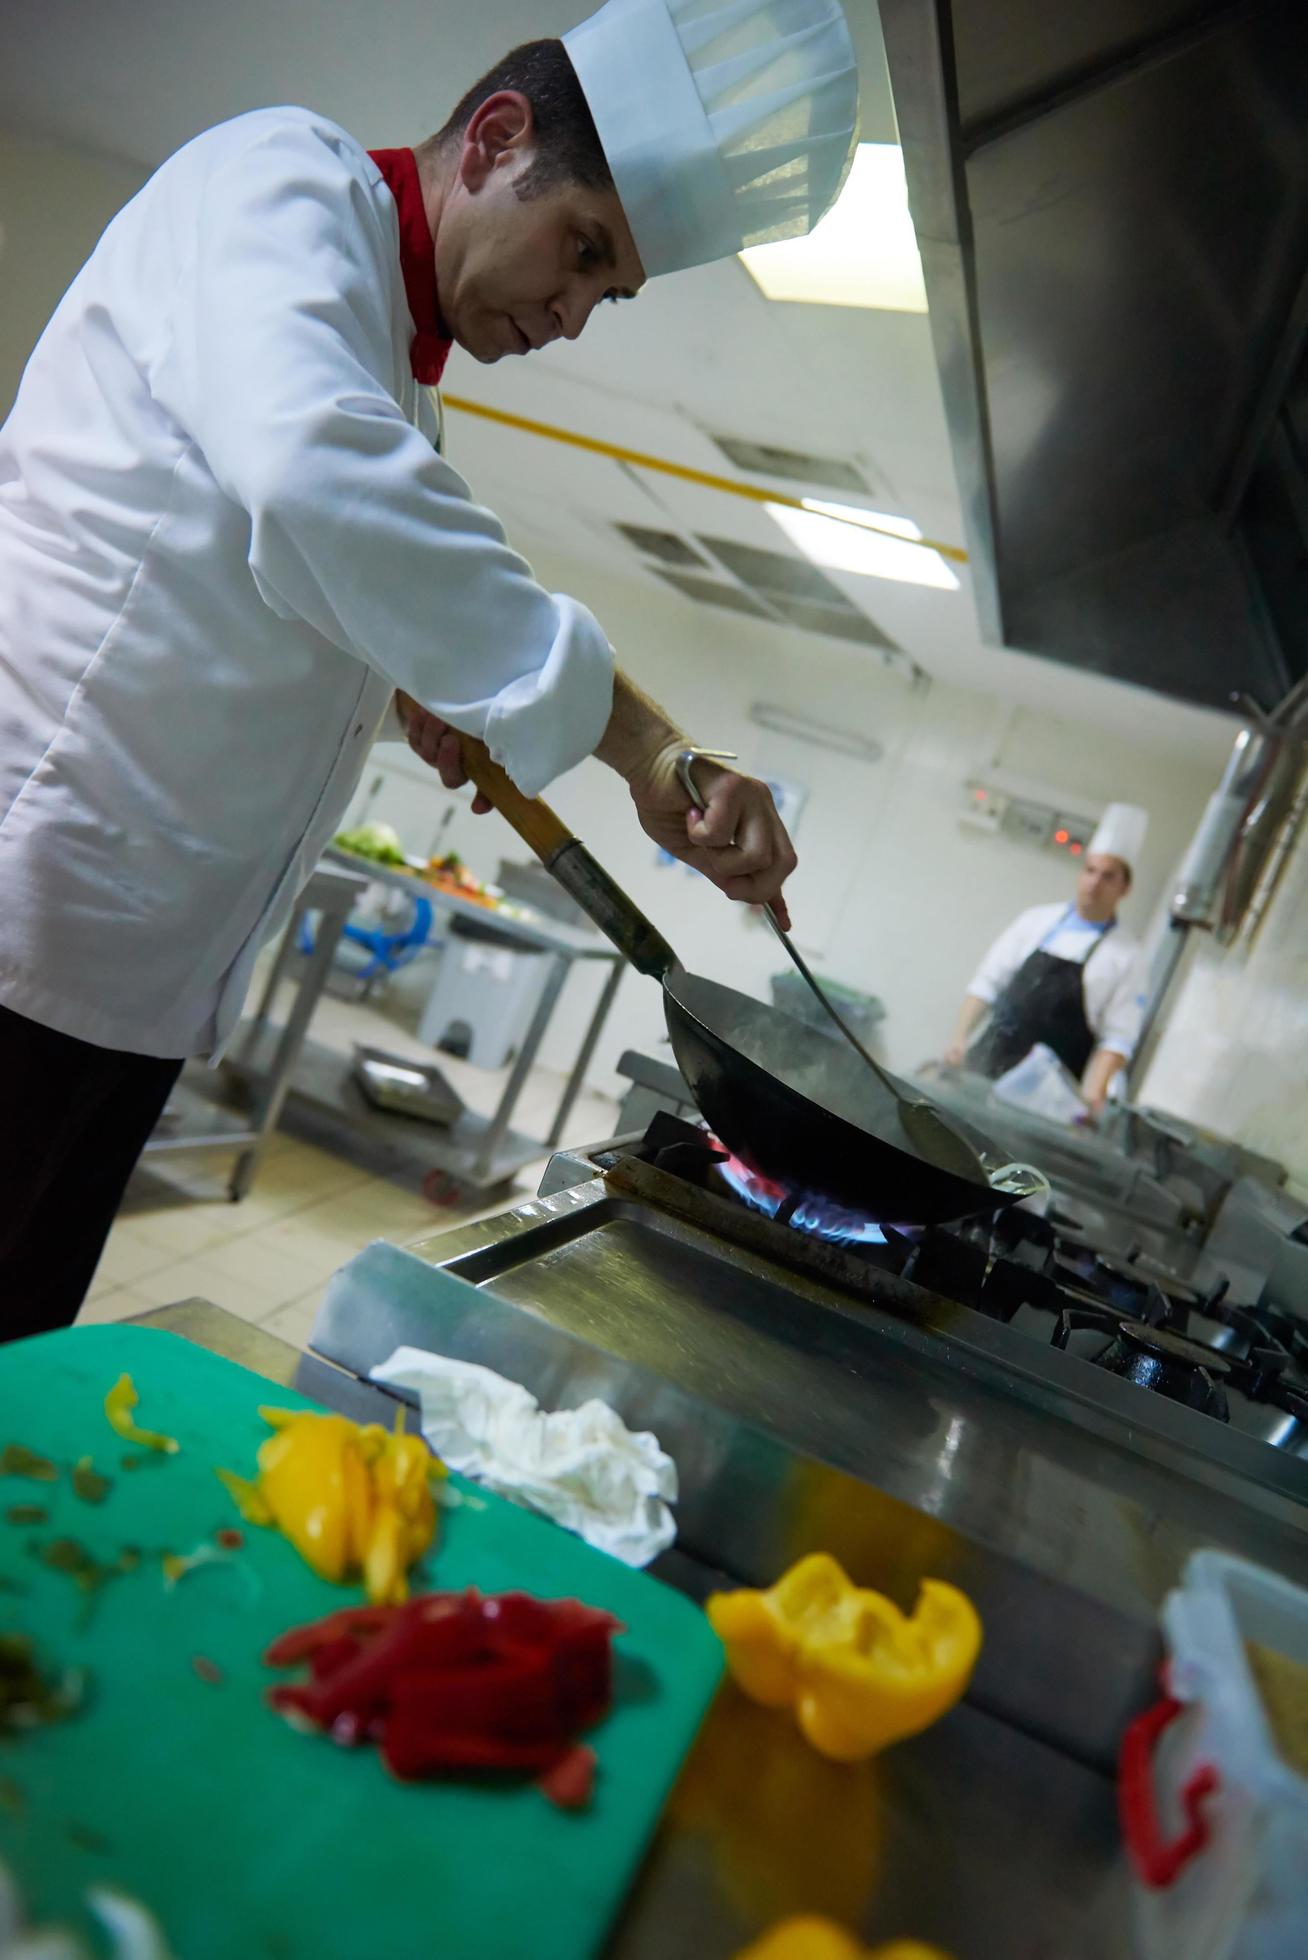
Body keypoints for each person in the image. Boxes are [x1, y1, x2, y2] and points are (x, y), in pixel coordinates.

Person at [0, 0, 860, 1335]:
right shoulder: (281, 181)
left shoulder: (408, 395)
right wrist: (647, 749)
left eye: (607, 292)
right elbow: (311, 478)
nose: (573, 315)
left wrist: (403, 693)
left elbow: (297, 577)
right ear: (495, 140)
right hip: (34, 897)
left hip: (129, 975)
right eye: (581, 250)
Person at [942, 805, 1148, 1119]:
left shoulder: (1127, 957)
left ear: (1125, 888)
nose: (1094, 883)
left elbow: (1119, 1036)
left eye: (1108, 877)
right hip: (983, 1066)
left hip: (1046, 1099)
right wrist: (959, 1038)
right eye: (1090, 871)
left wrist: (1094, 1092)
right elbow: (987, 983)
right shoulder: (1035, 921)